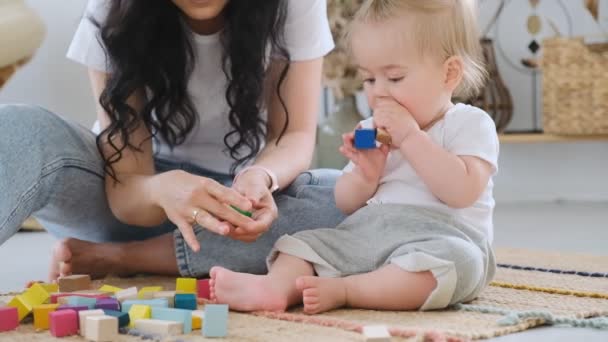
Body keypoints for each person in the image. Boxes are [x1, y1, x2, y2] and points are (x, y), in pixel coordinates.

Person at [0, 0, 346, 281]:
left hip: (233, 204)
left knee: (345, 198)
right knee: (23, 129)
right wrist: (161, 190)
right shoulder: (113, 8)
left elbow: (295, 136)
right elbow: (126, 193)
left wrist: (260, 177)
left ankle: (121, 259)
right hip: (128, 198)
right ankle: (180, 255)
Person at [209, 0, 499, 314]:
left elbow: (461, 192)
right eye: (369, 80)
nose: (378, 93)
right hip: (372, 231)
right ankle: (274, 289)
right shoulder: (370, 130)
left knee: (460, 262)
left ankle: (348, 290)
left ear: (449, 73)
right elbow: (345, 203)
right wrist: (365, 175)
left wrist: (412, 138)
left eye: (395, 78)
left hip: (442, 236)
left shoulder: (470, 124)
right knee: (303, 244)